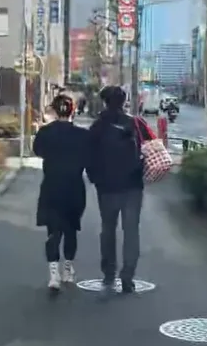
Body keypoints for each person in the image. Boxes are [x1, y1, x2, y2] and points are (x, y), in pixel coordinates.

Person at [87, 85, 154, 294]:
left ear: (105, 102)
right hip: (133, 186)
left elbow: (88, 156)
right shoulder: (136, 123)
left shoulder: (98, 126)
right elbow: (152, 147)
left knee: (108, 229)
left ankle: (109, 274)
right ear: (124, 102)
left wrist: (96, 179)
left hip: (107, 188)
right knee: (131, 231)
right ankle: (127, 277)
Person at [33, 94, 90, 293]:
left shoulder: (45, 132)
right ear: (73, 110)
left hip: (51, 186)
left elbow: (37, 151)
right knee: (71, 229)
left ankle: (53, 275)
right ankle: (67, 270)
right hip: (74, 187)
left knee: (53, 231)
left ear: (55, 110)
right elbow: (89, 159)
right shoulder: (82, 135)